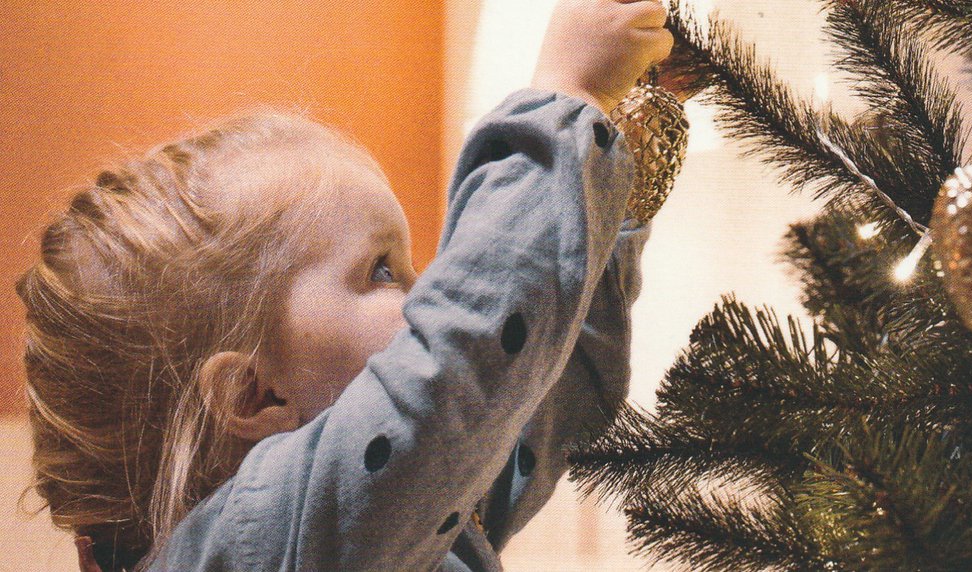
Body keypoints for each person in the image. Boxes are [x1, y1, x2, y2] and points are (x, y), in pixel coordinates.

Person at [17, 0, 693, 570]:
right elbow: (461, 367)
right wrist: (563, 102)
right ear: (254, 392)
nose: (426, 289)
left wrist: (624, 153)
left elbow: (533, 387)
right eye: (380, 270)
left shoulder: (409, 496)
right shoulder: (250, 550)